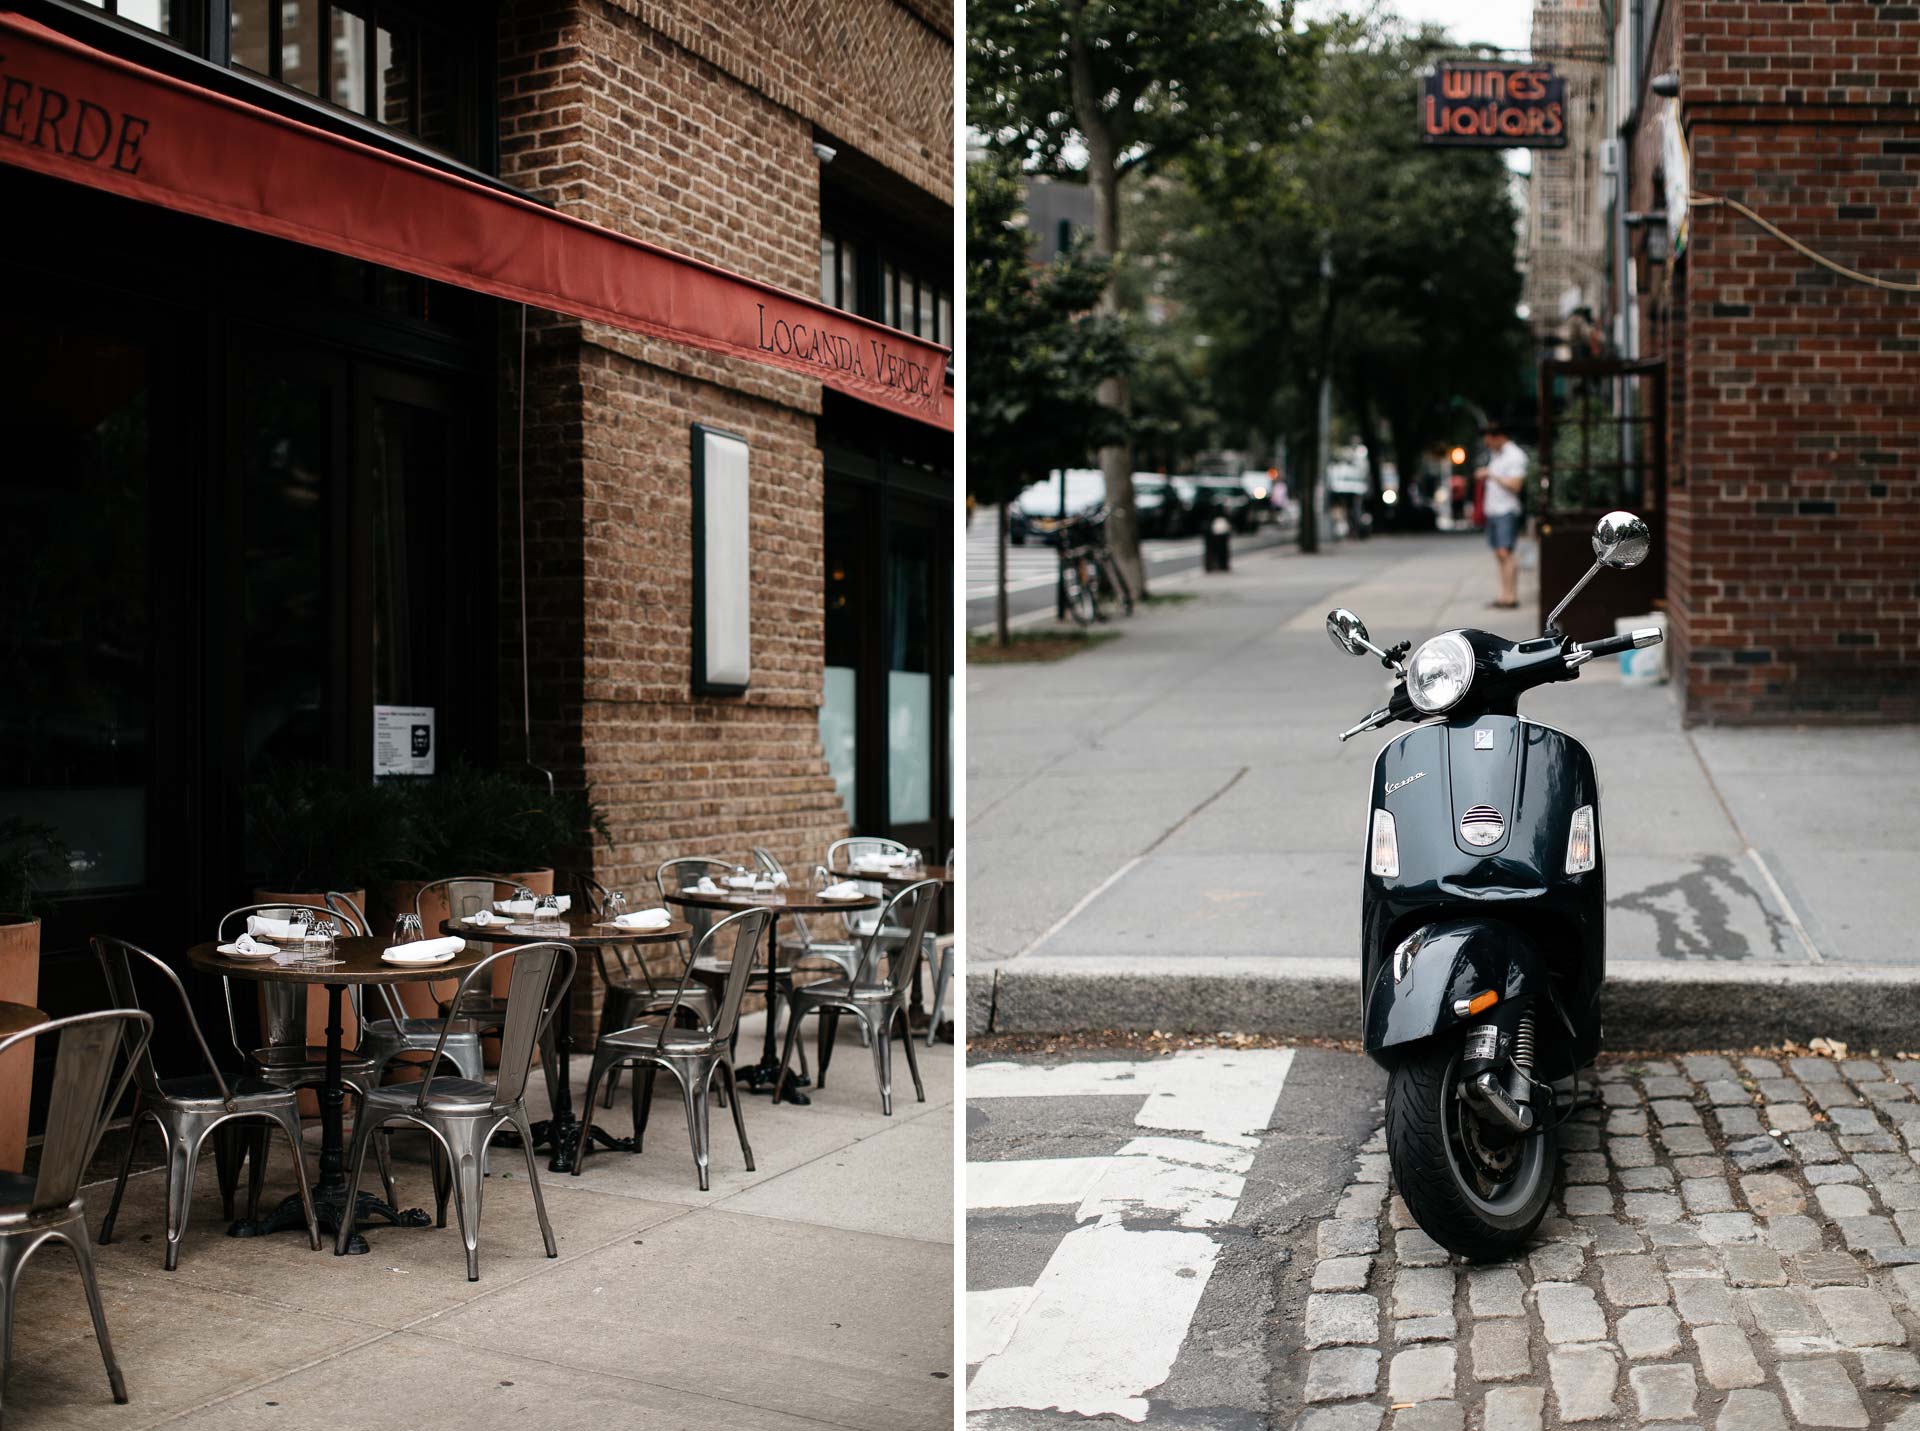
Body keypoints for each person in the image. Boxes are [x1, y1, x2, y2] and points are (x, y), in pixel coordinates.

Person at [1476, 423, 1528, 609]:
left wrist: (1491, 475)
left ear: (1498, 437)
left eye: (1489, 441)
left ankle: (1511, 596)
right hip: (1494, 510)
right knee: (1499, 554)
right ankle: (1504, 595)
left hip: (1507, 509)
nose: (1488, 445)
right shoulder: (1496, 455)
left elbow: (1515, 485)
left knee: (1506, 552)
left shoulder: (1514, 456)